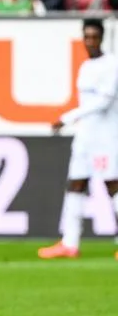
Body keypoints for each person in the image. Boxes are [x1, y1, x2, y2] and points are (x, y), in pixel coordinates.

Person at [39, 19, 118, 259]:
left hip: (105, 136)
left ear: (102, 38)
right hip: (85, 137)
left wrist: (67, 117)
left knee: (113, 187)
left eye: (95, 37)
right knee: (75, 184)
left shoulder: (112, 65)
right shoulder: (85, 66)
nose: (91, 42)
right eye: (87, 37)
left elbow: (104, 102)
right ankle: (69, 243)